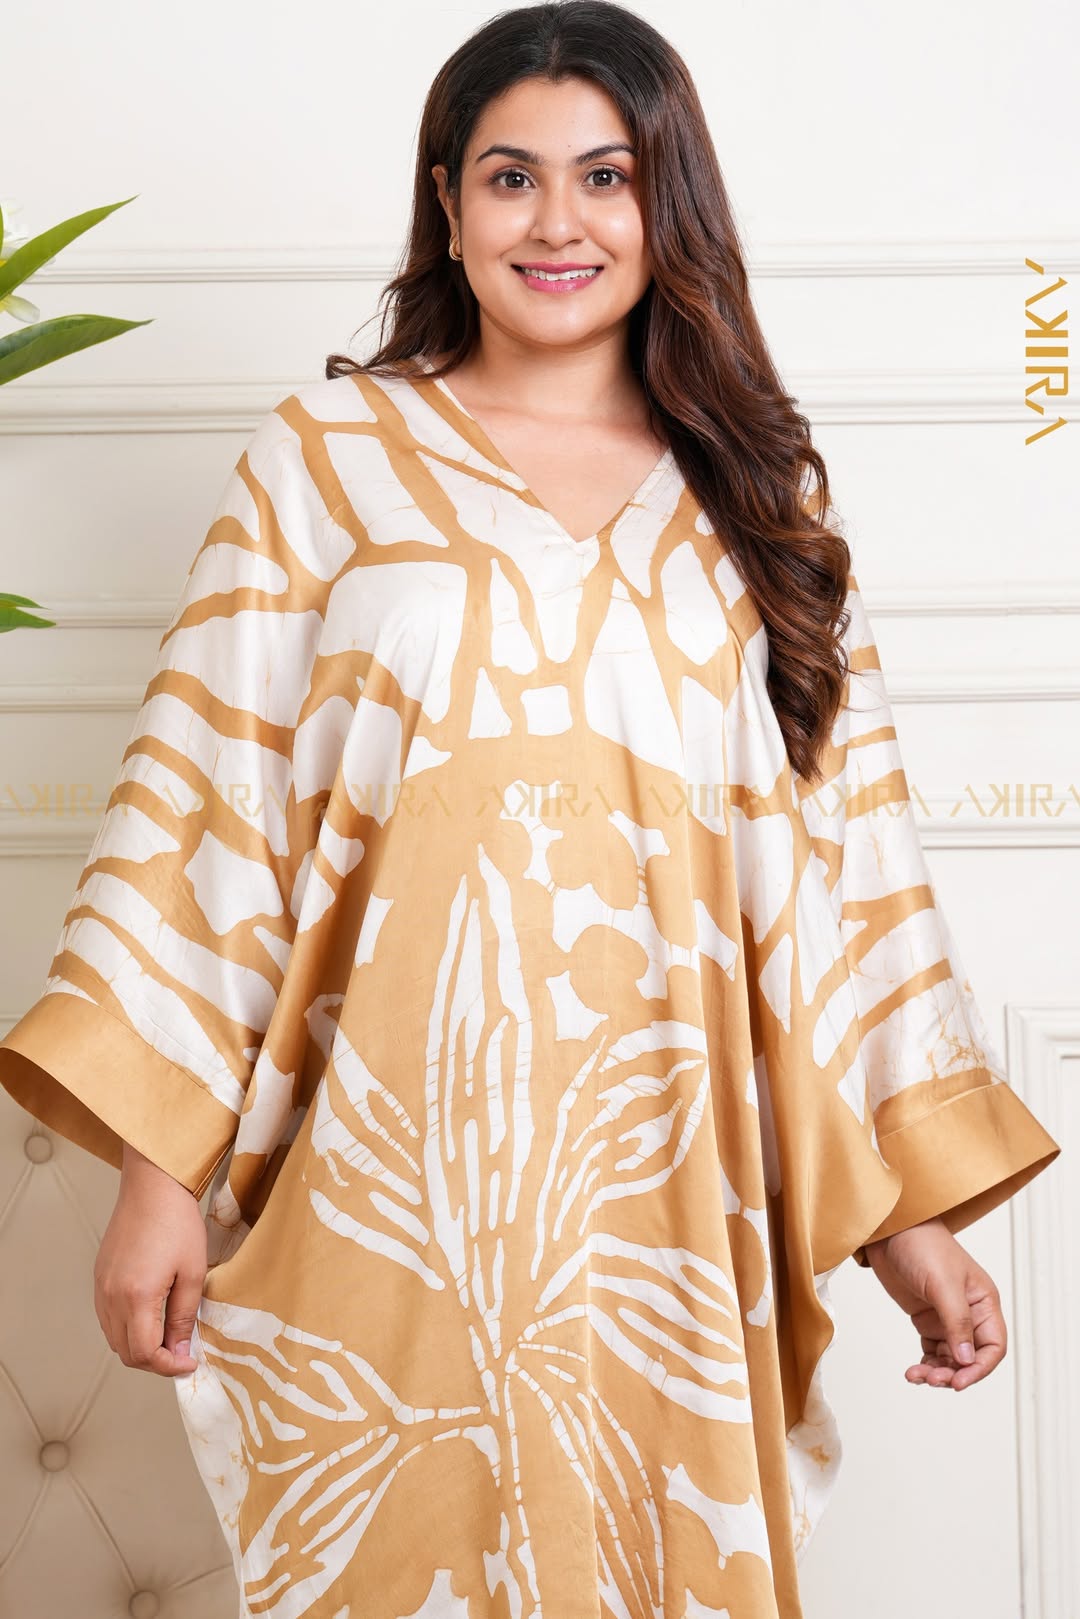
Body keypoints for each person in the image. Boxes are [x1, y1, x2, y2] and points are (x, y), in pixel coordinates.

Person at [0, 4, 1061, 1616]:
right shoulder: (322, 463)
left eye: (605, 177)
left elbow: (842, 866)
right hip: (385, 1183)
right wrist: (156, 1181)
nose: (557, 222)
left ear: (667, 203)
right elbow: (210, 814)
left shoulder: (759, 495)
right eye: (511, 177)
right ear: (448, 205)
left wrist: (906, 1223)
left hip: (673, 1201)